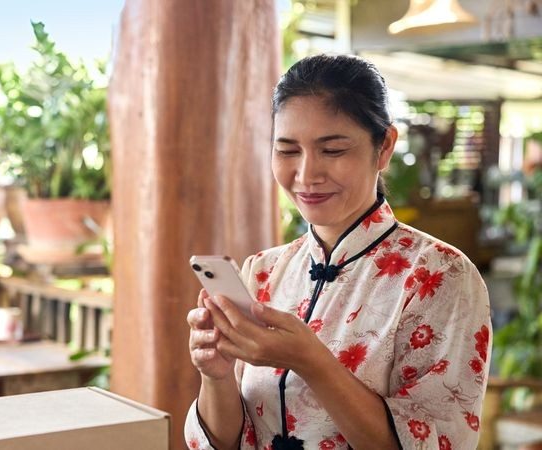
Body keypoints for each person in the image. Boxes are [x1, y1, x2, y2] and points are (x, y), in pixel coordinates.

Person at [185, 54, 491, 450]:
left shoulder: (441, 276)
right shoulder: (263, 271)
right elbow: (231, 440)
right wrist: (216, 375)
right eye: (288, 150)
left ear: (384, 148)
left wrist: (311, 360)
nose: (307, 175)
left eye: (332, 150)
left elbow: (436, 442)